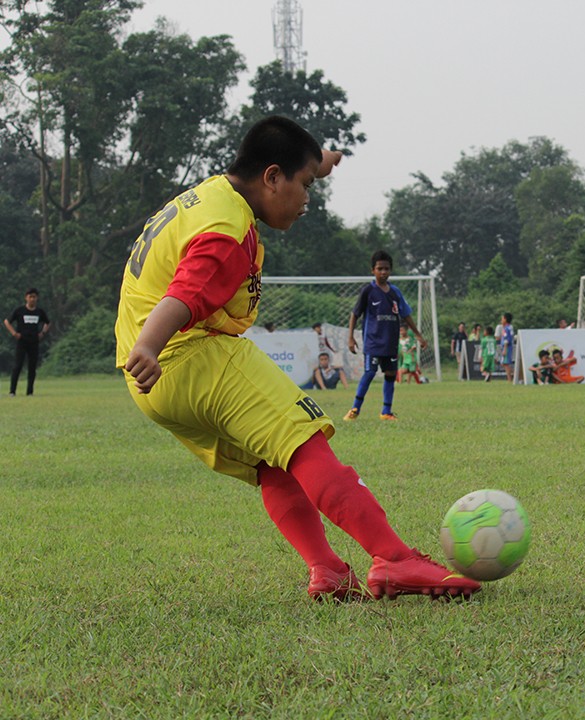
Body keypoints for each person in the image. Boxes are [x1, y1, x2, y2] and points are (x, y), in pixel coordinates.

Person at [115, 116, 478, 602]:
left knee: (275, 463)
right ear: (271, 177)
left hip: (153, 387)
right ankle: (395, 558)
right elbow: (187, 292)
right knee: (306, 442)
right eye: (305, 185)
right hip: (188, 355)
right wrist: (151, 345)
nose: (308, 199)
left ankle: (327, 568)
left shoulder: (208, 197)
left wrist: (319, 163)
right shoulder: (227, 229)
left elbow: (277, 158)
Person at [343, 250, 428, 422]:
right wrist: (350, 338)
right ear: (372, 270)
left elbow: (406, 314)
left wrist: (418, 335)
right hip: (373, 342)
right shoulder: (368, 291)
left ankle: (386, 412)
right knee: (369, 373)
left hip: (390, 343)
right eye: (380, 268)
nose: (383, 272)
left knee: (390, 374)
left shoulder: (395, 292)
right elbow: (355, 314)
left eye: (386, 269)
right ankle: (354, 409)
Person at [6, 288, 50, 396]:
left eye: (34, 297)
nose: (32, 299)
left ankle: (29, 392)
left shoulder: (39, 312)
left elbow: (47, 322)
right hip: (22, 342)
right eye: (30, 297)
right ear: (26, 297)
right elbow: (7, 321)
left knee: (32, 367)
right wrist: (14, 333)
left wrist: (42, 333)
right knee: (18, 366)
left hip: (34, 342)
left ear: (37, 298)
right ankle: (12, 391)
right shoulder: (20, 311)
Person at [498, 312, 515, 383]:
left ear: (505, 319)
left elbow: (506, 339)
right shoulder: (510, 327)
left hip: (507, 347)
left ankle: (510, 379)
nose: (501, 320)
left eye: (502, 318)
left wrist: (504, 349)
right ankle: (514, 376)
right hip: (508, 347)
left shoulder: (506, 329)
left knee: (506, 363)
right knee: (504, 363)